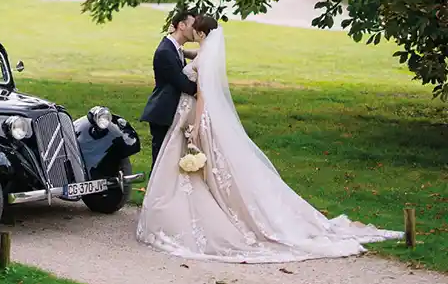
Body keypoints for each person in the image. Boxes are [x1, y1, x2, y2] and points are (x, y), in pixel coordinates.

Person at [137, 14, 403, 262]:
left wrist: (197, 121)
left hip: (194, 115)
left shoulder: (201, 55)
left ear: (201, 33)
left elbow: (199, 88)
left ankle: (194, 208)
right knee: (181, 162)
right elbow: (191, 67)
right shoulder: (198, 52)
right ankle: (181, 206)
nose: (193, 33)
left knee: (196, 164)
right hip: (178, 113)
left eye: (196, 30)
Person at [140, 9, 198, 168]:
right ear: (182, 25)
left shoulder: (175, 48)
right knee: (160, 162)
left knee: (169, 161)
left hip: (173, 110)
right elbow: (182, 83)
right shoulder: (165, 51)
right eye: (193, 25)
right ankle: (154, 192)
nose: (196, 30)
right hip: (163, 112)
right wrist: (204, 91)